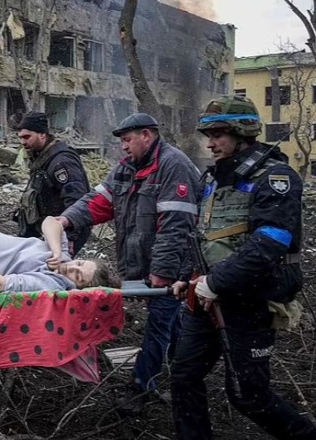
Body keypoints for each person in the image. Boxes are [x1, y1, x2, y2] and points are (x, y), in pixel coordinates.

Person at [169, 96, 316, 440]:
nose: (210, 143)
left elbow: (271, 242)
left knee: (248, 395)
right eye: (209, 135)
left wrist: (215, 282)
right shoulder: (214, 179)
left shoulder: (275, 177)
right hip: (206, 298)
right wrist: (186, 276)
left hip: (250, 300)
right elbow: (204, 236)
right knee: (183, 376)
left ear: (242, 133)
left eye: (218, 135)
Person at [57, 112, 201, 413]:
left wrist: (162, 271)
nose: (123, 147)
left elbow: (176, 225)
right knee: (171, 321)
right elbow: (98, 202)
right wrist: (66, 220)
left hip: (173, 265)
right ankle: (185, 369)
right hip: (144, 263)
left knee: (159, 324)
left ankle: (141, 386)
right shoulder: (126, 169)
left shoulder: (174, 166)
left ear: (146, 135)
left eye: (127, 140)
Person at [12, 111, 91, 257]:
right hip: (45, 231)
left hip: (60, 233)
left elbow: (76, 200)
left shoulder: (61, 161)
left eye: (27, 137)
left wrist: (70, 237)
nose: (22, 142)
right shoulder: (42, 159)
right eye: (20, 138)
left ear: (42, 135)